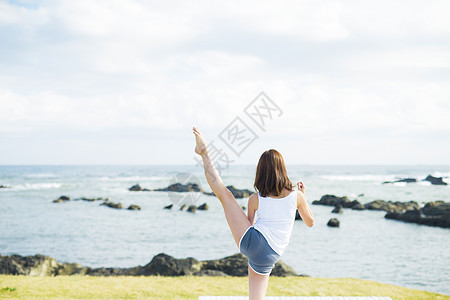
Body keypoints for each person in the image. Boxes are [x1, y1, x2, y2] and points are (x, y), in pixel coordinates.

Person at [193, 127, 314, 300]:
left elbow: (248, 225)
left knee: (224, 195)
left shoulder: (255, 199)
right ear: (283, 170)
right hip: (272, 254)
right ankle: (203, 152)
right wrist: (303, 197)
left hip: (251, 242)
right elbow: (310, 222)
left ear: (261, 172)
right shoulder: (297, 196)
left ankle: (204, 153)